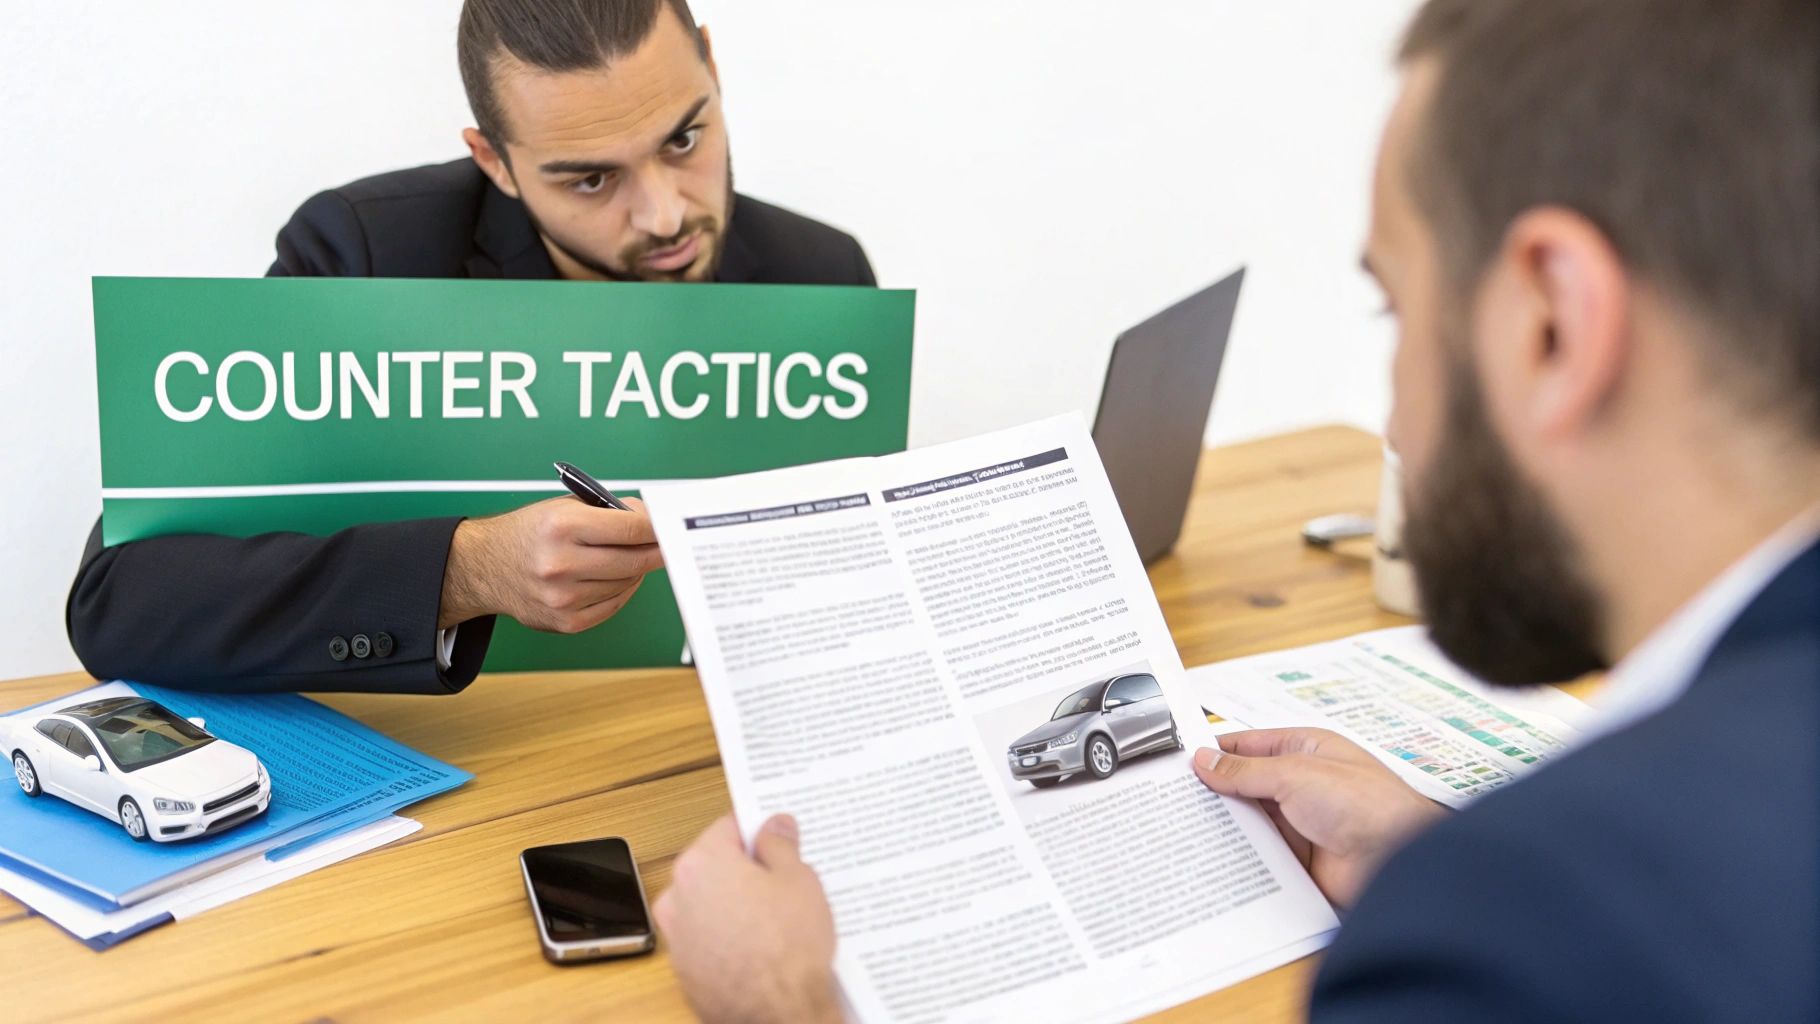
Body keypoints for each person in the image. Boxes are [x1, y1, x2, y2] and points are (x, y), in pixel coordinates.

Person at [652, 0, 1819, 1019]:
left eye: (1395, 311)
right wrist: (1430, 845)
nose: (1396, 425)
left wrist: (787, 1008)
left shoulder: (1507, 935)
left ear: (1551, 322)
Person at [66, 0, 877, 695]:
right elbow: (120, 599)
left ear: (711, 66)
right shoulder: (365, 257)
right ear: (494, 160)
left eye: (683, 140)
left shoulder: (823, 277)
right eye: (590, 180)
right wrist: (467, 571)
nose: (664, 215)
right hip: (439, 775)